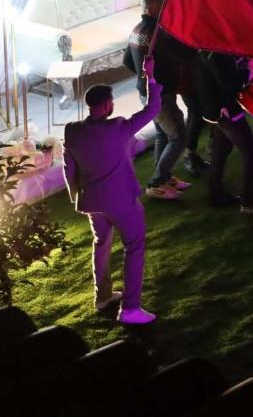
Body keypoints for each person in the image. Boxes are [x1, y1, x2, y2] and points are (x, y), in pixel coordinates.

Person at [63, 59, 162, 324]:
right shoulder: (117, 127)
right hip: (121, 201)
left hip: (91, 202)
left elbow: (68, 169)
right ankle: (130, 308)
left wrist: (77, 197)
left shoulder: (72, 132)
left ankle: (103, 296)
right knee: (135, 246)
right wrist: (150, 78)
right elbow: (153, 108)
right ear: (106, 104)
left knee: (101, 244)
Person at [123, 0, 196, 200]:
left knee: (163, 134)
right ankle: (156, 182)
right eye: (162, 6)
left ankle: (164, 176)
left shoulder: (136, 30)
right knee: (178, 136)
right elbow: (183, 55)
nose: (166, 10)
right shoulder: (158, 34)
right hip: (160, 93)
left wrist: (142, 75)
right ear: (153, 9)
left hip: (146, 91)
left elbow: (127, 61)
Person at [193, 51, 253, 216]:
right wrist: (249, 70)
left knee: (221, 150)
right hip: (224, 109)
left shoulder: (208, 48)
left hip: (215, 109)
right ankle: (247, 202)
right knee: (251, 152)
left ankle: (215, 194)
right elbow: (229, 81)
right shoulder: (214, 52)